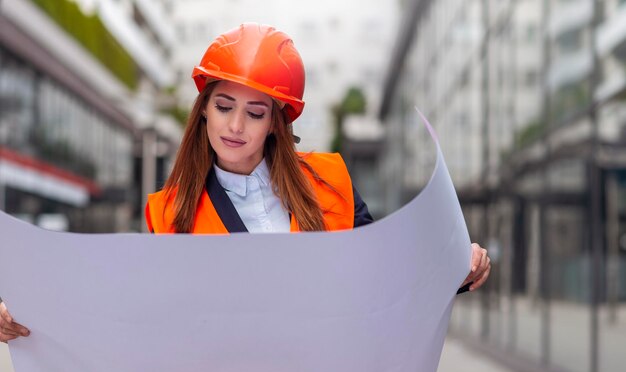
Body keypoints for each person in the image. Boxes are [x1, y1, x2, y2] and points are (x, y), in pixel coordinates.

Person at [0, 23, 491, 344]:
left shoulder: (332, 182)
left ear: (277, 121)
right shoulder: (169, 215)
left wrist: (454, 268)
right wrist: (23, 313)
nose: (235, 127)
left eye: (255, 113)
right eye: (223, 107)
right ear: (204, 110)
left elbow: (383, 277)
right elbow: (131, 319)